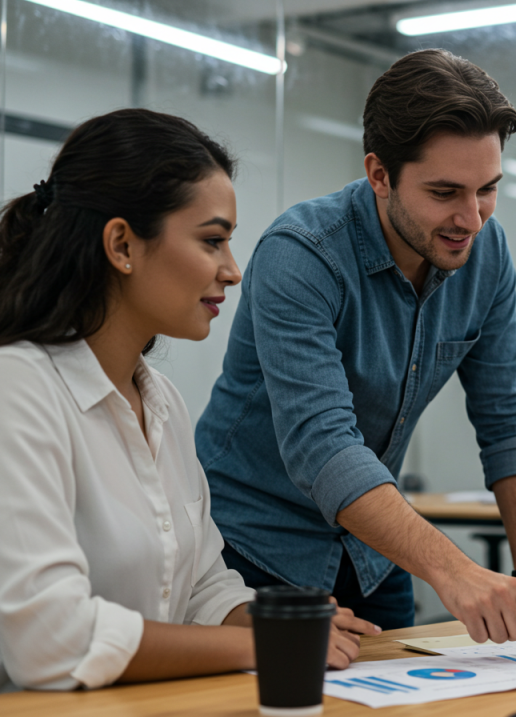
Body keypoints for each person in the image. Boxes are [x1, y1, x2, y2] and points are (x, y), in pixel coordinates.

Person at [196, 48, 516, 643]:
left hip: (374, 552)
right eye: (445, 192)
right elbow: (323, 445)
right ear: (380, 175)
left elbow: (507, 417)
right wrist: (458, 573)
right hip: (253, 554)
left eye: (487, 189)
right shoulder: (302, 254)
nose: (471, 219)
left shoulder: (486, 252)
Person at [0, 109, 373, 692]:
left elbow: (200, 584)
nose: (233, 271)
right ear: (122, 244)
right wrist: (262, 642)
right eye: (212, 241)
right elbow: (51, 640)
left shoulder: (162, 399)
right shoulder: (18, 389)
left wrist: (274, 618)